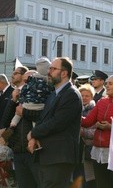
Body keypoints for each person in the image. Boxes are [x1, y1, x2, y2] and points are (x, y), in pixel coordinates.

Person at [26, 57, 83, 188]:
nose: (49, 72)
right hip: (48, 154)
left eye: (53, 69)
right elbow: (43, 119)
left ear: (64, 73)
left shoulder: (71, 94)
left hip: (60, 156)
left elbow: (57, 122)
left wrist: (33, 132)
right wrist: (35, 136)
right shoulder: (54, 94)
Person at [10, 58, 53, 128]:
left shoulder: (31, 80)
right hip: (41, 106)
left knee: (18, 114)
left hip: (27, 104)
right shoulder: (49, 82)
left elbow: (24, 91)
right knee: (36, 124)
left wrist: (21, 100)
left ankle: (13, 124)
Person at [73, 83, 97, 188]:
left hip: (87, 149)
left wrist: (82, 132)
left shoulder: (95, 110)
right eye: (82, 95)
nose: (84, 98)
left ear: (92, 97)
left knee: (86, 178)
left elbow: (96, 132)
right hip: (74, 149)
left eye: (87, 96)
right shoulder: (74, 109)